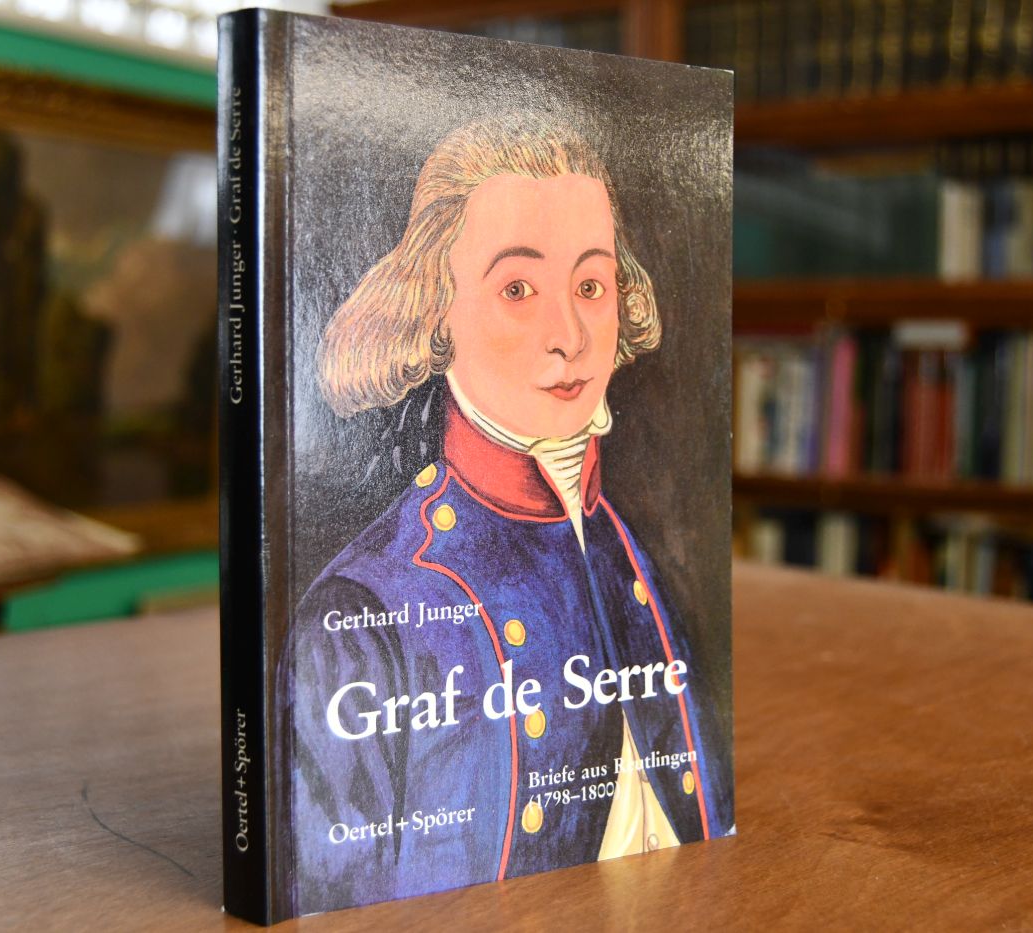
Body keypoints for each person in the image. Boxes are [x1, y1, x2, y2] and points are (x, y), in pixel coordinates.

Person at [280, 113, 733, 915]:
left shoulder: (632, 559)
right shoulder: (360, 613)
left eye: (590, 286)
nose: (569, 336)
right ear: (435, 309)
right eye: (518, 290)